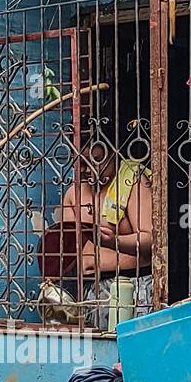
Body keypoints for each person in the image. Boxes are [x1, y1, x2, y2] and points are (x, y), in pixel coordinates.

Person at [54, 140, 154, 329]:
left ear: (113, 152)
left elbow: (151, 239)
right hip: (88, 291)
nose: (87, 169)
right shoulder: (73, 194)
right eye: (80, 163)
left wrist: (114, 242)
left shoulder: (133, 181)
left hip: (132, 283)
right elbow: (67, 245)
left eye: (95, 160)